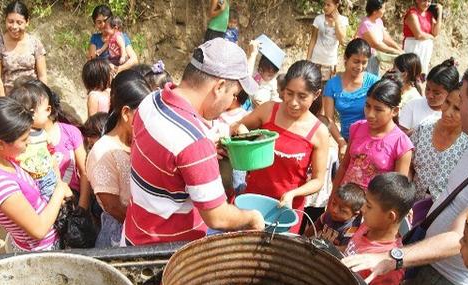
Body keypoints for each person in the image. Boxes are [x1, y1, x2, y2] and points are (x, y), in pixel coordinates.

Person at [343, 63, 468, 285]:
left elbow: (458, 237)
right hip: (422, 262)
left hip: (446, 280)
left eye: (461, 101)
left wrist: (393, 256)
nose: (450, 110)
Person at [122, 38, 265, 246]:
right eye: (234, 94)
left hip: (134, 234)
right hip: (165, 254)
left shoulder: (151, 101)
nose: (229, 104)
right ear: (220, 86)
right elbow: (217, 216)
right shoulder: (195, 143)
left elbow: (166, 157)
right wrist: (252, 217)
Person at [0, 97, 72, 253]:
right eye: (23, 139)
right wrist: (59, 191)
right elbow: (38, 229)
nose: (29, 142)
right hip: (41, 249)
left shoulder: (4, 159)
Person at [234, 60, 330, 233]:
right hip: (252, 201)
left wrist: (293, 194)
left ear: (316, 95)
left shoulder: (319, 132)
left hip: (285, 210)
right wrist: (241, 131)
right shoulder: (269, 110)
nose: (293, 102)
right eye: (289, 93)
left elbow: (318, 180)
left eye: (302, 97)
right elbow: (238, 127)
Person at [86, 71, 150, 247]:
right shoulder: (103, 152)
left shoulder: (142, 139)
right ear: (126, 113)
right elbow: (112, 208)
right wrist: (145, 231)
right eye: (144, 113)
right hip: (120, 234)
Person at [14, 80, 91, 209]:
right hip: (42, 206)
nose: (24, 116)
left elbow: (85, 172)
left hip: (72, 200)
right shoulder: (20, 141)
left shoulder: (70, 132)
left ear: (48, 108)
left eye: (29, 111)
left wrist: (82, 208)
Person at [331, 77, 414, 191]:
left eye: (378, 109)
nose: (370, 114)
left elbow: (397, 191)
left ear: (394, 111)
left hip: (373, 208)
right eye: (367, 106)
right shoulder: (357, 128)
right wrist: (332, 200)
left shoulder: (402, 144)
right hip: (344, 204)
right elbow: (344, 166)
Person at [345, 173, 416, 285]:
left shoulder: (389, 267)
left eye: (369, 206)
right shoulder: (367, 226)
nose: (362, 209)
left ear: (390, 216)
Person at [410, 82, 468, 201]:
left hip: (442, 212)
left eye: (457, 109)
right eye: (447, 102)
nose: (448, 112)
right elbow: (409, 164)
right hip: (412, 205)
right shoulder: (424, 128)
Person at [323, 38, 379, 159]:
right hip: (345, 139)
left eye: (364, 62)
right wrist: (341, 142)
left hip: (371, 140)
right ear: (346, 59)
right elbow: (329, 119)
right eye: (356, 61)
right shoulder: (332, 85)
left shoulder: (374, 83)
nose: (359, 67)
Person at [9, 81, 58, 201]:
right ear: (31, 113)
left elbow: (51, 151)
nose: (50, 111)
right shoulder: (17, 139)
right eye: (46, 108)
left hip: (49, 177)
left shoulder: (43, 133)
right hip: (30, 183)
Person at [0, 1, 47, 96]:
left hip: (33, 97)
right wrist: (4, 102)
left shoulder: (35, 44)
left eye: (19, 23)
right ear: (5, 20)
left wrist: (42, 98)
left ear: (27, 22)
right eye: (10, 22)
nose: (14, 26)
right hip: (10, 99)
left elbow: (42, 76)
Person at [399, 58, 459, 133]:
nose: (430, 95)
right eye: (427, 89)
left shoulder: (453, 117)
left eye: (436, 93)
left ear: (450, 92)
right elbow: (400, 135)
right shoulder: (413, 105)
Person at [305, 182, 365, 248]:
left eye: (342, 210)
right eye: (333, 203)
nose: (334, 210)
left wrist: (326, 249)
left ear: (355, 214)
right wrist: (303, 239)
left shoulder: (351, 229)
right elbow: (315, 227)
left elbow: (344, 249)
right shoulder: (327, 215)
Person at [87, 5, 139, 73]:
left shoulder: (121, 37)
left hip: (122, 76)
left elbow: (134, 60)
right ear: (95, 24)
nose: (103, 25)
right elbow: (92, 62)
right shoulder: (95, 39)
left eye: (105, 21)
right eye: (99, 22)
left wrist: (119, 69)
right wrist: (108, 66)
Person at [356, 0, 403, 75]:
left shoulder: (379, 21)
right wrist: (394, 51)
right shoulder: (366, 24)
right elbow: (375, 44)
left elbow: (386, 38)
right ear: (375, 11)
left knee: (374, 78)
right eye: (383, 9)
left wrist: (398, 48)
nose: (384, 11)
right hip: (365, 57)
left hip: (375, 56)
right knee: (367, 79)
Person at [307, 0, 348, 83]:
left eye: (328, 5)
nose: (325, 7)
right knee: (313, 86)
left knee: (327, 89)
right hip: (316, 59)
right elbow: (313, 39)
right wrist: (308, 59)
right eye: (324, 4)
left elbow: (342, 40)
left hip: (330, 62)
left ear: (336, 5)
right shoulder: (318, 19)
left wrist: (336, 21)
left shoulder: (343, 20)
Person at [402, 0, 442, 75]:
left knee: (421, 74)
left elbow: (435, 33)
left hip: (425, 50)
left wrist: (440, 14)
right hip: (413, 47)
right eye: (424, 1)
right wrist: (431, 36)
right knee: (409, 72)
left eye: (429, 1)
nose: (427, 4)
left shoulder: (429, 15)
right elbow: (418, 35)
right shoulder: (412, 14)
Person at [247, 39, 283, 106]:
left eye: (273, 75)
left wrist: (267, 106)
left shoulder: (273, 82)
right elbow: (246, 82)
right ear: (260, 70)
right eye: (269, 75)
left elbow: (275, 98)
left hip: (264, 108)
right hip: (249, 104)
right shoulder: (254, 74)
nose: (271, 78)